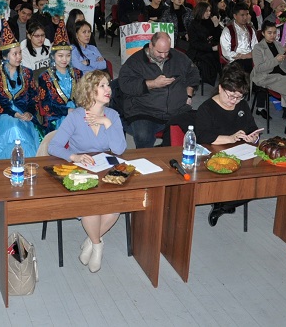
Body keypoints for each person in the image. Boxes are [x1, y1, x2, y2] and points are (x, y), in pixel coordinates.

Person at [48, 70, 126, 272]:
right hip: (81, 171)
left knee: (115, 207)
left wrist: (106, 123)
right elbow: (53, 147)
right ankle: (98, 246)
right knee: (91, 206)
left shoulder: (113, 115)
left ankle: (91, 241)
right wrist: (74, 157)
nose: (108, 89)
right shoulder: (75, 117)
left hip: (105, 170)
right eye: (102, 86)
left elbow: (119, 149)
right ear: (90, 90)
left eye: (108, 85)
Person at [195, 64, 260, 226]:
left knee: (258, 184)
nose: (234, 101)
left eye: (239, 97)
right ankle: (222, 202)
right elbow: (202, 136)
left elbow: (252, 127)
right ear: (220, 88)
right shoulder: (207, 109)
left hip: (240, 155)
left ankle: (223, 205)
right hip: (213, 158)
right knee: (240, 182)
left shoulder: (241, 106)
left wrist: (253, 137)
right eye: (231, 96)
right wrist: (230, 138)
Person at [118, 32, 200, 148]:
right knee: (143, 135)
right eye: (159, 52)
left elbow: (193, 73)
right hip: (145, 111)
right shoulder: (135, 61)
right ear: (151, 46)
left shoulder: (179, 57)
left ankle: (168, 153)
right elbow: (125, 84)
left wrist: (189, 94)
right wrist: (152, 84)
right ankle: (147, 156)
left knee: (200, 126)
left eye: (167, 52)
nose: (163, 56)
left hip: (177, 110)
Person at [0, 21, 42, 159]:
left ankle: (26, 163)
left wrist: (29, 112)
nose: (19, 57)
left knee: (24, 129)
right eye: (15, 54)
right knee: (14, 127)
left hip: (24, 114)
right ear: (5, 56)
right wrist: (13, 113)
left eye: (20, 53)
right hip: (2, 114)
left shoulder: (27, 72)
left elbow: (34, 97)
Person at [37, 19, 82, 131]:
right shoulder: (45, 77)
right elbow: (46, 105)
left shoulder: (77, 73)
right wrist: (66, 111)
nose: (64, 59)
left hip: (78, 114)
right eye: (60, 56)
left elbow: (84, 96)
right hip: (56, 117)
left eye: (68, 55)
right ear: (53, 56)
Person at [187, 2, 221, 87]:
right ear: (200, 11)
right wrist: (211, 48)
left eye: (209, 11)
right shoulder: (193, 24)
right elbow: (194, 43)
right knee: (210, 57)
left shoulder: (210, 22)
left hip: (211, 47)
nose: (209, 13)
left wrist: (216, 26)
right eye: (206, 11)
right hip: (198, 50)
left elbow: (217, 37)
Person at [220, 3, 259, 73]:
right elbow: (226, 52)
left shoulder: (250, 29)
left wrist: (250, 55)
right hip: (235, 60)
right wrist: (242, 56)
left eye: (247, 14)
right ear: (235, 16)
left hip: (250, 57)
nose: (245, 17)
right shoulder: (228, 30)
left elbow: (256, 46)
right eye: (242, 15)